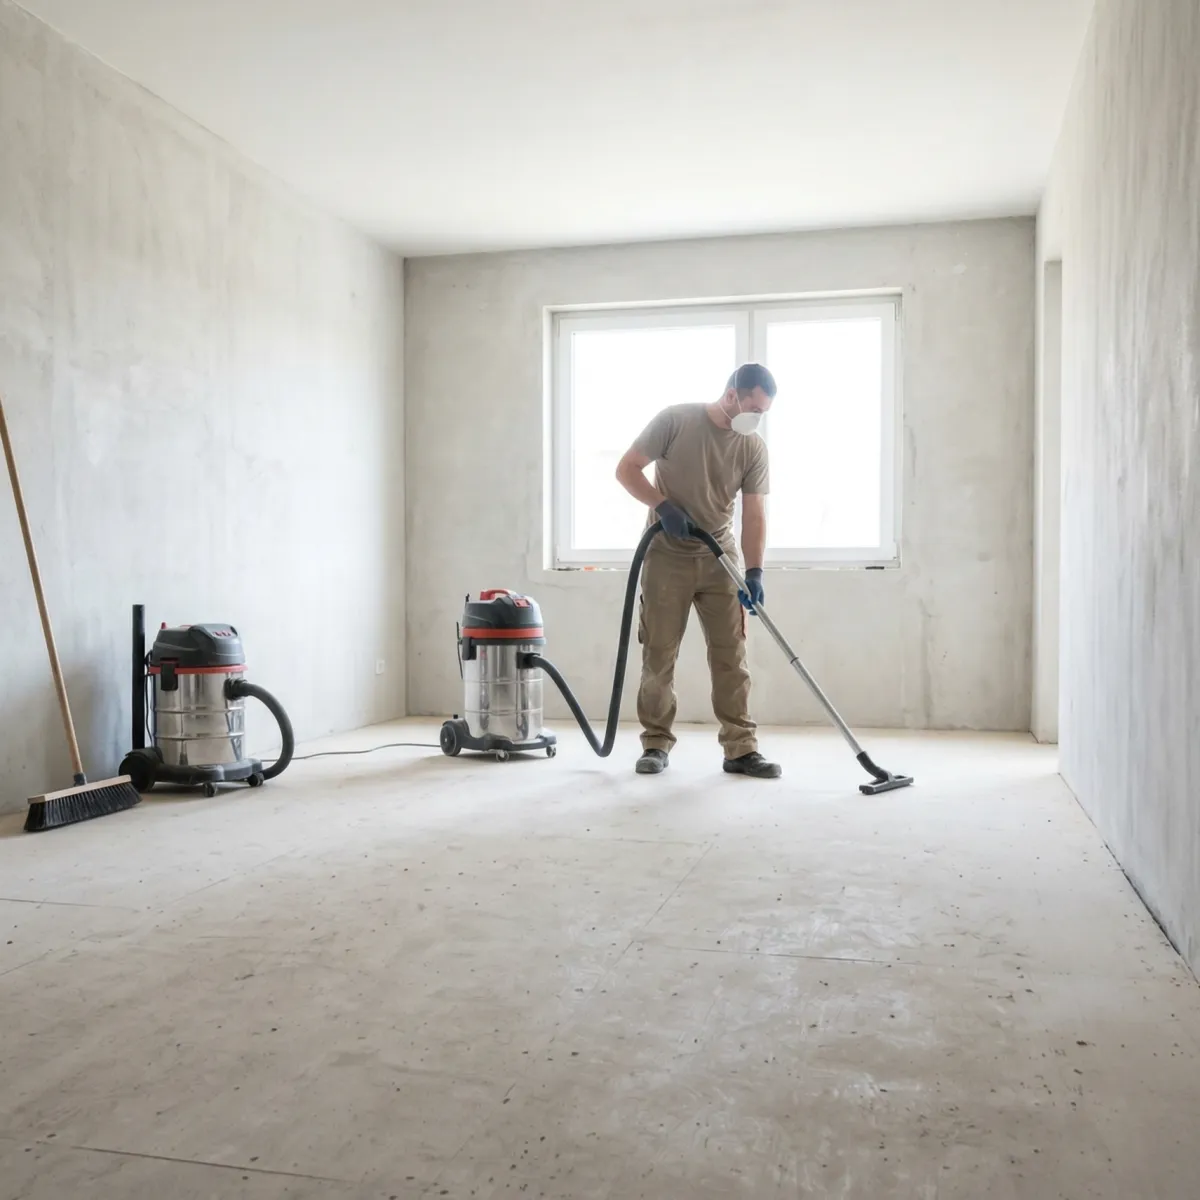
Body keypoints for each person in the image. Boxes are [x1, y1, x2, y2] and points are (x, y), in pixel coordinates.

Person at [615, 363, 781, 779]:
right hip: (666, 554)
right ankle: (655, 742)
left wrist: (755, 572)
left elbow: (755, 512)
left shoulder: (752, 447)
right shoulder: (675, 421)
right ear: (732, 395)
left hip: (719, 557)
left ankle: (740, 748)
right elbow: (626, 469)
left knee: (731, 656)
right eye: (753, 407)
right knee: (658, 653)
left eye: (764, 412)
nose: (756, 417)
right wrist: (662, 504)